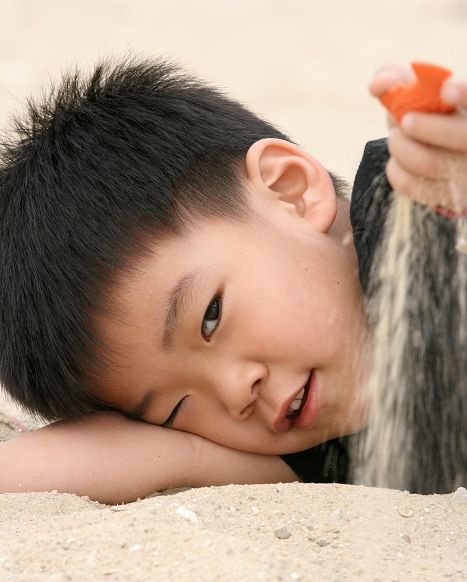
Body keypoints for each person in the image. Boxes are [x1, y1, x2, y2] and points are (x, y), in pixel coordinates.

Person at [0, 58, 465, 504]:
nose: (234, 392)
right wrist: (182, 450)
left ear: (290, 191)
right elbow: (113, 458)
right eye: (177, 409)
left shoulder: (424, 219)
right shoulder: (330, 450)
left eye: (211, 317)